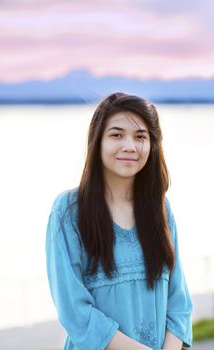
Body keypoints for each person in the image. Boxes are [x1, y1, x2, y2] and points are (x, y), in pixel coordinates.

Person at [45, 92, 193, 350]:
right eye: (116, 134)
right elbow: (74, 311)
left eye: (140, 137)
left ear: (152, 144)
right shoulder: (69, 212)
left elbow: (179, 301)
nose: (130, 146)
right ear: (97, 141)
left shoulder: (160, 209)